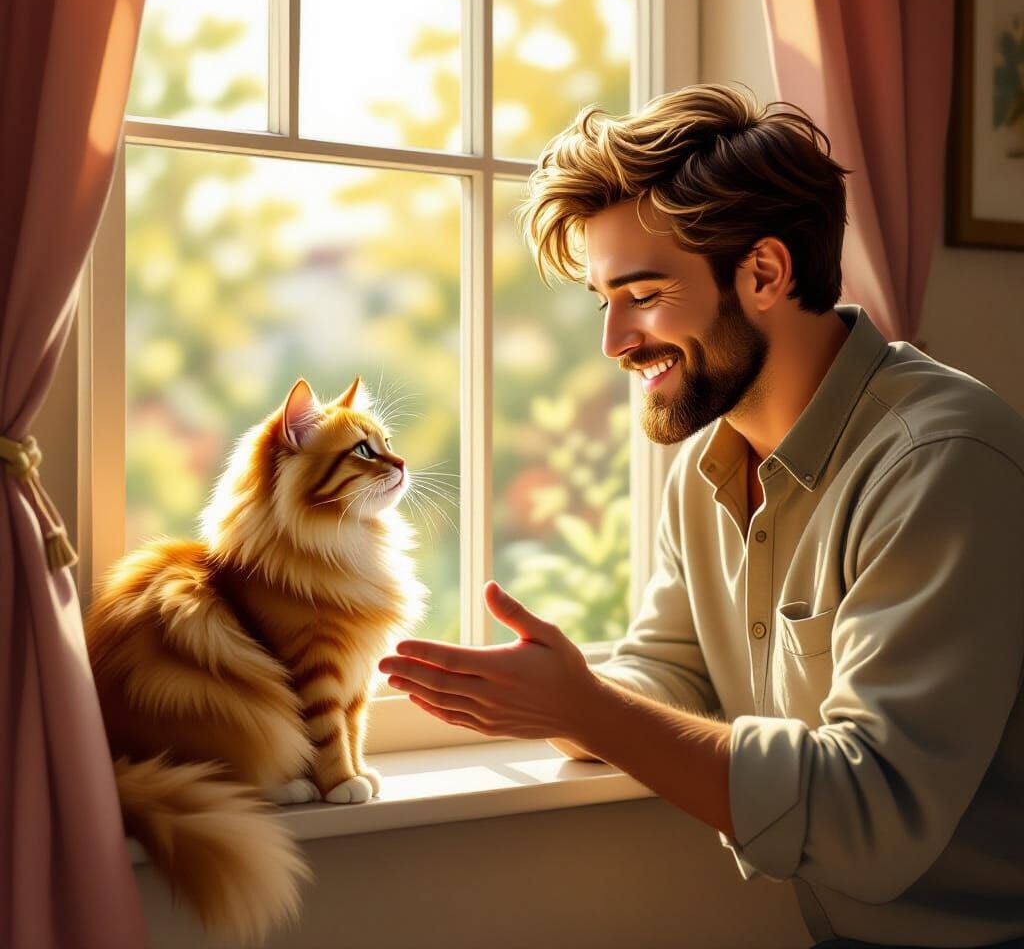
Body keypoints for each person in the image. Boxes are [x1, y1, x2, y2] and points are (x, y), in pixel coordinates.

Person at [377, 83, 1024, 949]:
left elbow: (872, 820)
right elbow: (670, 674)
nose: (613, 342)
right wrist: (554, 695)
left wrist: (592, 710)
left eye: (642, 293)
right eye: (601, 301)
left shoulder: (939, 462)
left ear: (764, 273)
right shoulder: (705, 471)